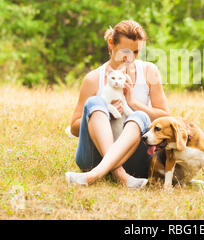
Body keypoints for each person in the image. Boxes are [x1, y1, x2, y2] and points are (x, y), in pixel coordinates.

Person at [65, 20, 170, 188]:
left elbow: (166, 118)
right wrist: (103, 112)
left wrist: (133, 103)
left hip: (135, 159)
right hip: (93, 158)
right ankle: (120, 174)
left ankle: (94, 176)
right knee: (95, 102)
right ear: (111, 43)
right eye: (125, 52)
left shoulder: (149, 72)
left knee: (140, 115)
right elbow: (75, 128)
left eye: (136, 52)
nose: (130, 59)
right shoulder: (93, 79)